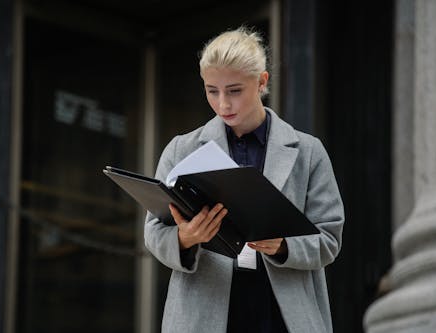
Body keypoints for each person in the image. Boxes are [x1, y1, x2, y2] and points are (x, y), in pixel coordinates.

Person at [144, 26, 344, 333]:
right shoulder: (181, 149)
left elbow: (329, 239)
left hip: (283, 313)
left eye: (234, 91)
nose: (223, 104)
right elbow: (154, 232)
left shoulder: (308, 152)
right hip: (204, 312)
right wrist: (186, 238)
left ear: (262, 81)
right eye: (212, 91)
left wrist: (283, 246)